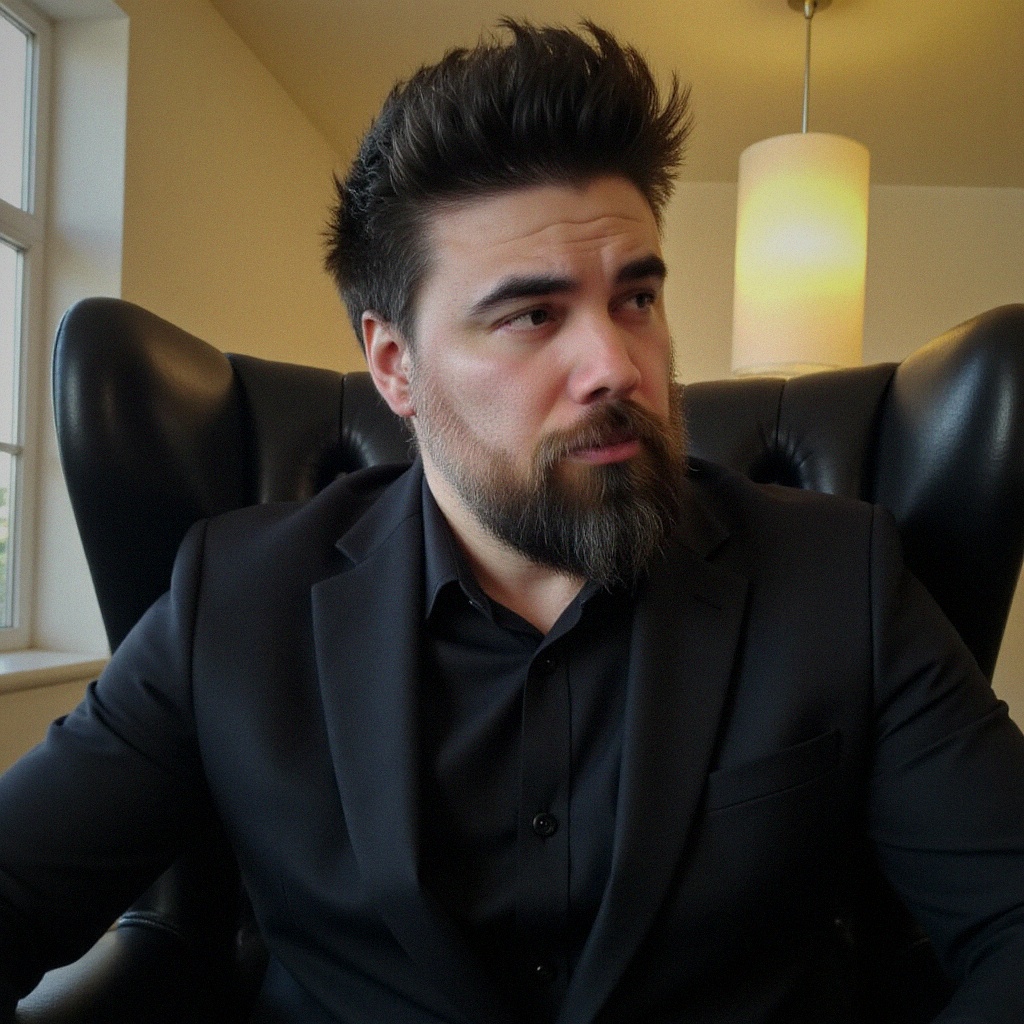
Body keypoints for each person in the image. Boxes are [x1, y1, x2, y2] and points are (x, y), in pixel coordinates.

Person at [2, 19, 1024, 1024]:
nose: (617, 366)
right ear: (395, 366)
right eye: (533, 315)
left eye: (636, 298)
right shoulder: (233, 601)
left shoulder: (839, 578)